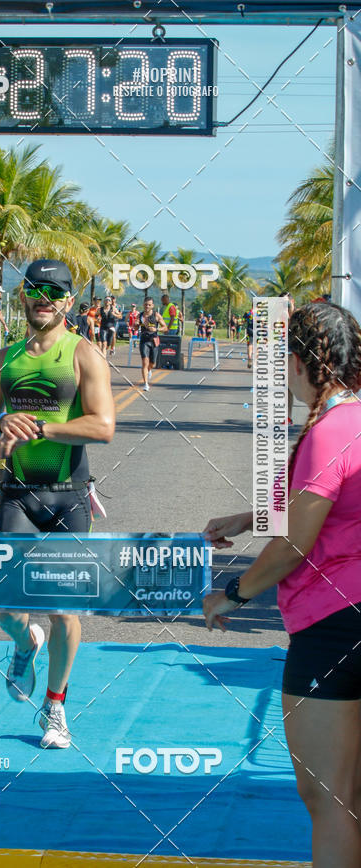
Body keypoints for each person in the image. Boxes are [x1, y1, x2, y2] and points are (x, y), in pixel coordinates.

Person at [202, 301, 361, 868]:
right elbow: (340, 507)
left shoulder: (328, 429)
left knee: (329, 798)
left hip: (332, 627)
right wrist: (250, 518)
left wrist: (234, 593)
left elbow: (294, 544)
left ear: (300, 362)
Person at [0, 259, 115, 750]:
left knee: (64, 608)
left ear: (68, 302)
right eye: (35, 289)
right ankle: (22, 641)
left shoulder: (84, 355)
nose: (43, 299)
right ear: (23, 296)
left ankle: (55, 706)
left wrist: (40, 426)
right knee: (7, 608)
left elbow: (104, 426)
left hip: (69, 498)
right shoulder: (4, 359)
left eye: (54, 292)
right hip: (17, 497)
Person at [138, 297, 167, 392]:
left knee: (152, 363)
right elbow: (135, 325)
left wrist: (157, 329)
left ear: (152, 306)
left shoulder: (156, 315)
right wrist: (135, 325)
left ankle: (149, 370)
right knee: (144, 363)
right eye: (146, 304)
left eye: (149, 305)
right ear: (143, 304)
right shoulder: (140, 315)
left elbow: (165, 328)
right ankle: (146, 383)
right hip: (144, 341)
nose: (147, 306)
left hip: (154, 340)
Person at [282, 292, 296, 425]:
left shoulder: (297, 316)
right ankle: (287, 416)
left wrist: (290, 310)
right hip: (280, 354)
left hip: (294, 355)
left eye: (286, 302)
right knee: (285, 387)